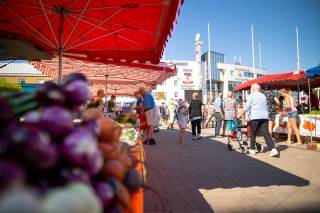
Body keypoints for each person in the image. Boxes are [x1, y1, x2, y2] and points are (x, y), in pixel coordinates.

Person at [243, 84, 279, 157]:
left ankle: (252, 149)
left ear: (252, 89)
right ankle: (273, 149)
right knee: (266, 133)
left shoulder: (251, 95)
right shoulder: (263, 96)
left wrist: (240, 113)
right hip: (264, 116)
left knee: (253, 133)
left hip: (255, 116)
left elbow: (247, 107)